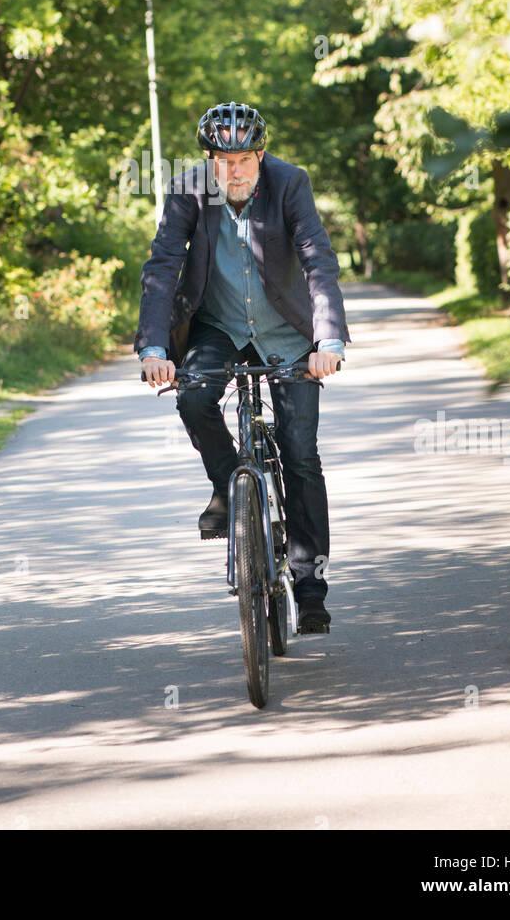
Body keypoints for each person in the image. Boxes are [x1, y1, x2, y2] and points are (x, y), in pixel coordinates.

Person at [135, 101, 351, 634]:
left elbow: (316, 258)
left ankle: (310, 587)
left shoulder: (289, 183)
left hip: (287, 332)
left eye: (245, 161)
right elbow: (163, 265)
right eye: (223, 161)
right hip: (218, 326)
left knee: (300, 455)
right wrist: (154, 349)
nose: (234, 172)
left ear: (261, 155)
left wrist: (329, 338)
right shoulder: (189, 189)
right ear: (210, 159)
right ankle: (228, 483)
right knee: (193, 397)